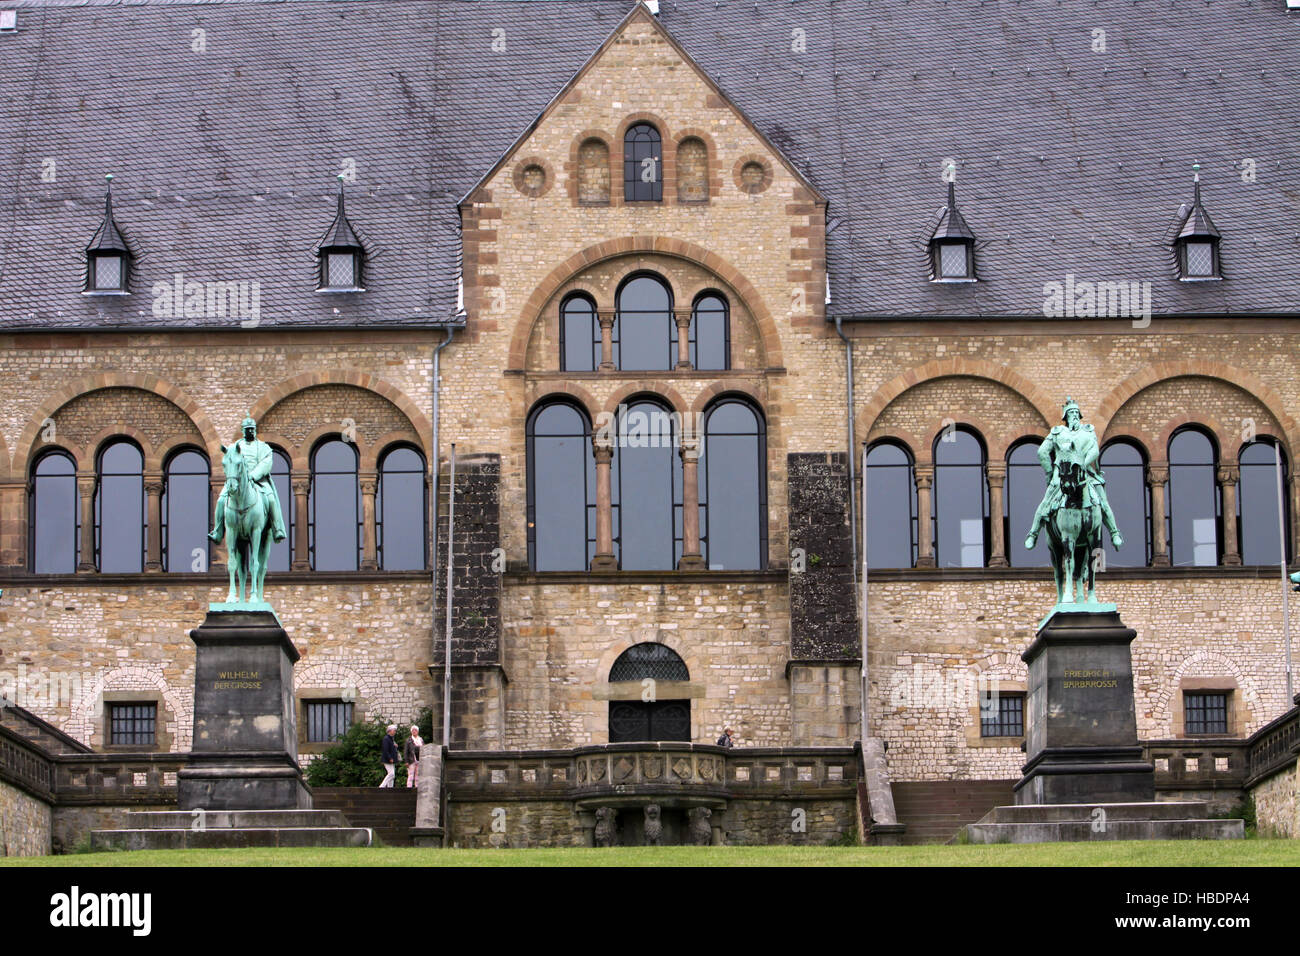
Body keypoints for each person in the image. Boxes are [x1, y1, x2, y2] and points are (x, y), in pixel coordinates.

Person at [1024, 398, 1123, 551]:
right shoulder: (1057, 432)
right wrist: (1050, 472)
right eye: (1071, 413)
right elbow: (1042, 452)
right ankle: (1033, 533)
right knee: (1046, 501)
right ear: (1065, 416)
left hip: (1085, 475)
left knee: (1102, 502)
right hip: (1062, 475)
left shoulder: (1088, 431)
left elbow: (1094, 450)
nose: (1074, 415)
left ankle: (1114, 532)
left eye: (1076, 412)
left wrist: (1084, 463)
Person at [208, 416, 288, 544]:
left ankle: (277, 528)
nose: (250, 431)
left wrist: (253, 475)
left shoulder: (263, 447)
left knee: (271, 499)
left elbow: (266, 463)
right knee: (221, 499)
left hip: (259, 481)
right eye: (247, 429)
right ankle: (217, 530)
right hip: (237, 482)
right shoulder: (235, 447)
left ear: (255, 430)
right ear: (243, 431)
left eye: (252, 429)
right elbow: (229, 461)